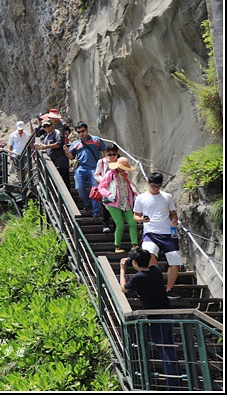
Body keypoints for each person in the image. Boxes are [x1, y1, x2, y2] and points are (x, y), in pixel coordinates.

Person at [120, 248, 181, 389]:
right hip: (167, 314)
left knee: (165, 352)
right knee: (170, 349)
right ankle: (175, 382)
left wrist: (123, 269)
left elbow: (123, 288)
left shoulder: (138, 278)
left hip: (155, 318)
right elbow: (149, 265)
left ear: (134, 262)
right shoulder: (156, 271)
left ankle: (173, 387)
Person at [133, 173, 182, 299]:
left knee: (175, 260)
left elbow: (173, 214)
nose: (155, 189)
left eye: (158, 186)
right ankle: (156, 284)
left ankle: (169, 289)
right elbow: (135, 216)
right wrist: (142, 220)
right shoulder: (141, 198)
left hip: (167, 232)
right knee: (149, 255)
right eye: (153, 186)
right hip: (150, 232)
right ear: (148, 183)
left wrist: (174, 220)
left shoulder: (167, 197)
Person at [98, 157, 139, 253]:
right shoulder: (110, 174)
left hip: (126, 203)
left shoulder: (125, 176)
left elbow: (129, 189)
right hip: (114, 203)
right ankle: (117, 246)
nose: (123, 169)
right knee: (120, 225)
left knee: (133, 223)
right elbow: (101, 187)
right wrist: (108, 195)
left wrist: (135, 196)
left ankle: (134, 244)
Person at [65, 121, 106, 216]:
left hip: (94, 168)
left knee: (95, 188)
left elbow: (104, 151)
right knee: (79, 187)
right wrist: (67, 152)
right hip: (81, 168)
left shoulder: (96, 140)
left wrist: (105, 164)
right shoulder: (75, 143)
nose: (81, 134)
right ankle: (88, 204)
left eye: (83, 131)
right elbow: (72, 157)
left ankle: (96, 210)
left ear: (87, 130)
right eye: (79, 132)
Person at [35, 119, 71, 191]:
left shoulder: (57, 132)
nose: (46, 127)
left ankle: (68, 200)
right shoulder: (46, 137)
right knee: (56, 184)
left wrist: (46, 146)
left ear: (52, 125)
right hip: (53, 164)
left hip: (61, 163)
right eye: (44, 126)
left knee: (64, 183)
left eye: (48, 125)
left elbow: (59, 144)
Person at [94, 144, 121, 233]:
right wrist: (104, 180)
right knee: (105, 205)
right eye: (110, 154)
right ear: (106, 154)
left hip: (117, 187)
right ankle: (105, 224)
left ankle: (116, 226)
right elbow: (96, 174)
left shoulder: (120, 162)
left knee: (117, 205)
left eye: (114, 154)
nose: (112, 156)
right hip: (105, 187)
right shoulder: (101, 162)